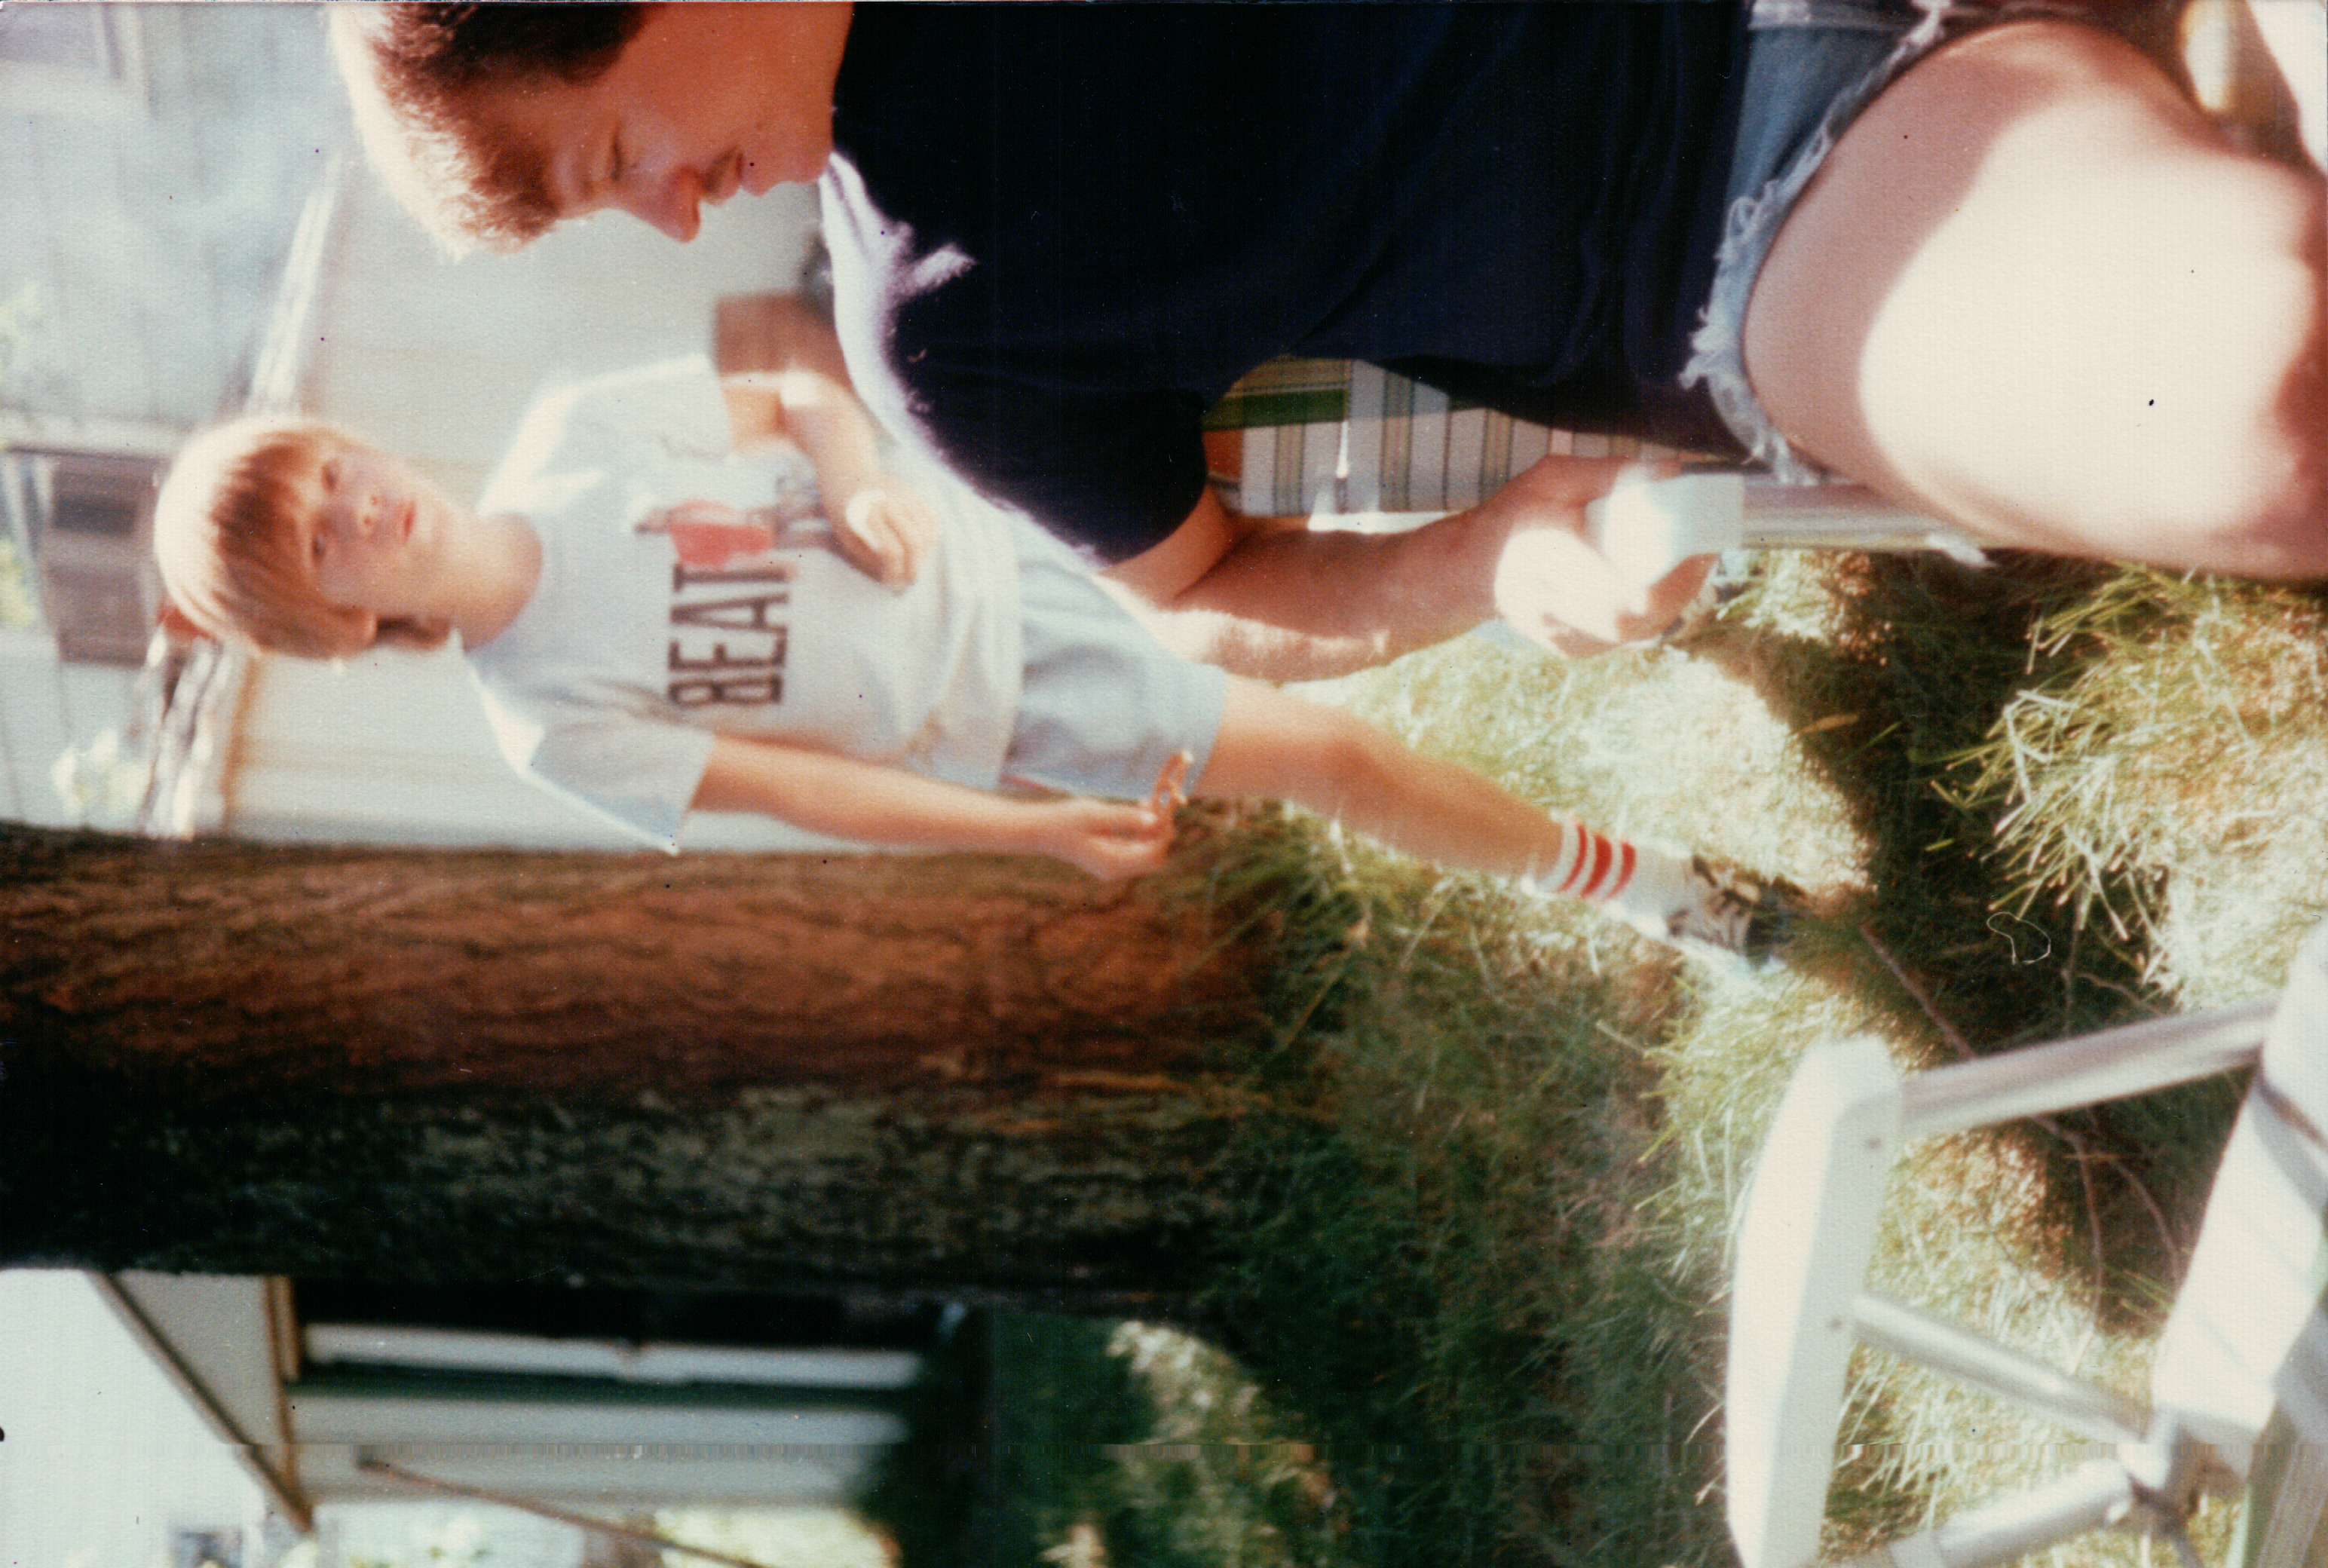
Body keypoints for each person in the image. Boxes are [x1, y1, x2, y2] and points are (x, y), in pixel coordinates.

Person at [324, 2, 2324, 682]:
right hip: (1781, 182)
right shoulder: (944, 326)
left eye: (617, 158)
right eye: (622, 208)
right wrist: (1493, 549)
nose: (682, 217)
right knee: (2264, 400)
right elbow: (1204, 594)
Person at [151, 342, 1796, 963]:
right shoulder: (543, 723)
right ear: (338, 623)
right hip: (1014, 695)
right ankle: (1646, 884)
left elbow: (794, 392)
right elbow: (804, 792)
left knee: (1325, 551)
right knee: (1338, 755)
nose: (355, 504)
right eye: (313, 540)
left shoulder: (569, 426)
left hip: (1013, 519)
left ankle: (1649, 510)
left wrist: (857, 474)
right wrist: (1028, 827)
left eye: (327, 468)